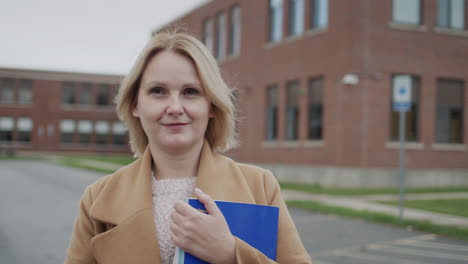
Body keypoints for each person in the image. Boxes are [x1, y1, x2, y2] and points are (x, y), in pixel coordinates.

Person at [65, 31, 312, 264]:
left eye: (190, 92)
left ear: (212, 106)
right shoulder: (97, 198)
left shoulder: (260, 186)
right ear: (135, 104)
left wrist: (230, 255)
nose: (174, 107)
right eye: (158, 91)